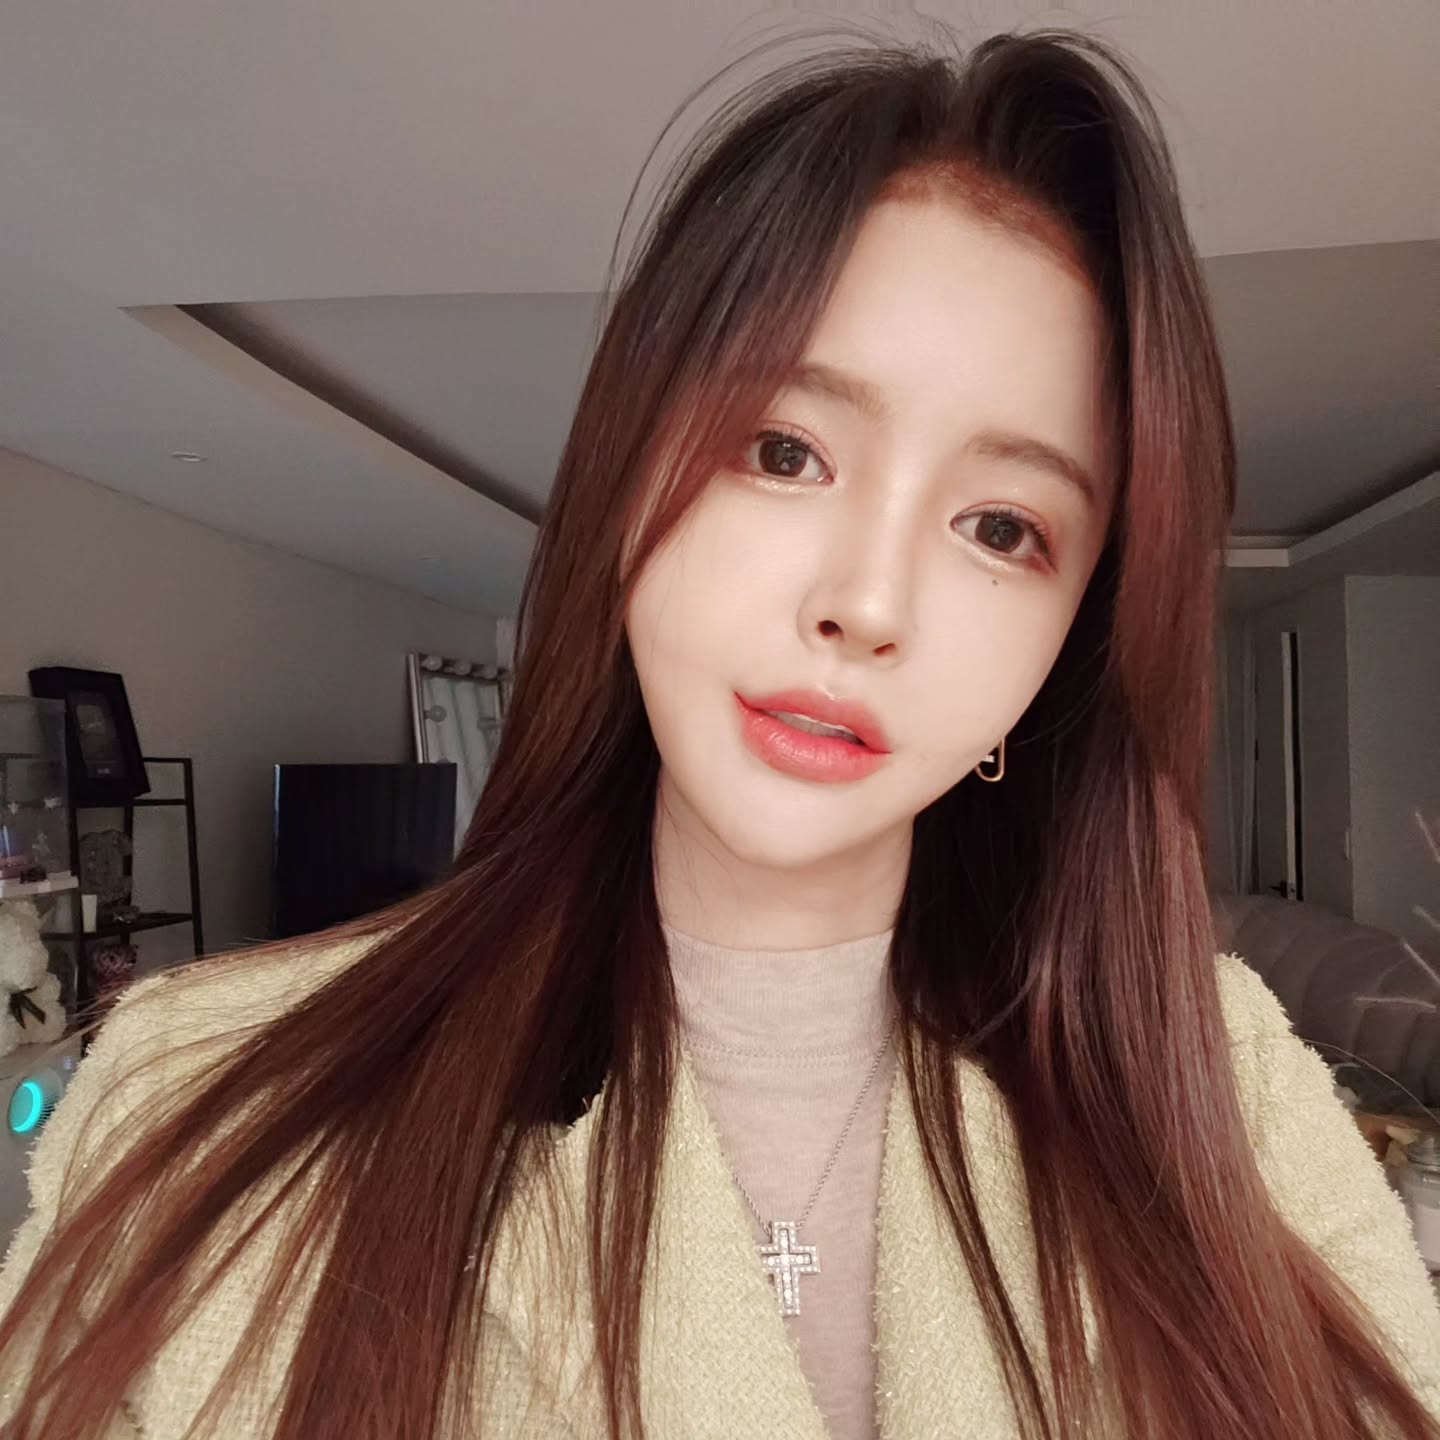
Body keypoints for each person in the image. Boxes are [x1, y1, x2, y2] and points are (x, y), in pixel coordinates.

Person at [1, 26, 1436, 1440]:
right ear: (632, 470)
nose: (868, 603)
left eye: (1002, 528)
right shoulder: (203, 1101)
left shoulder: (1218, 1089)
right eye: (786, 451)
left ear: (1069, 642)